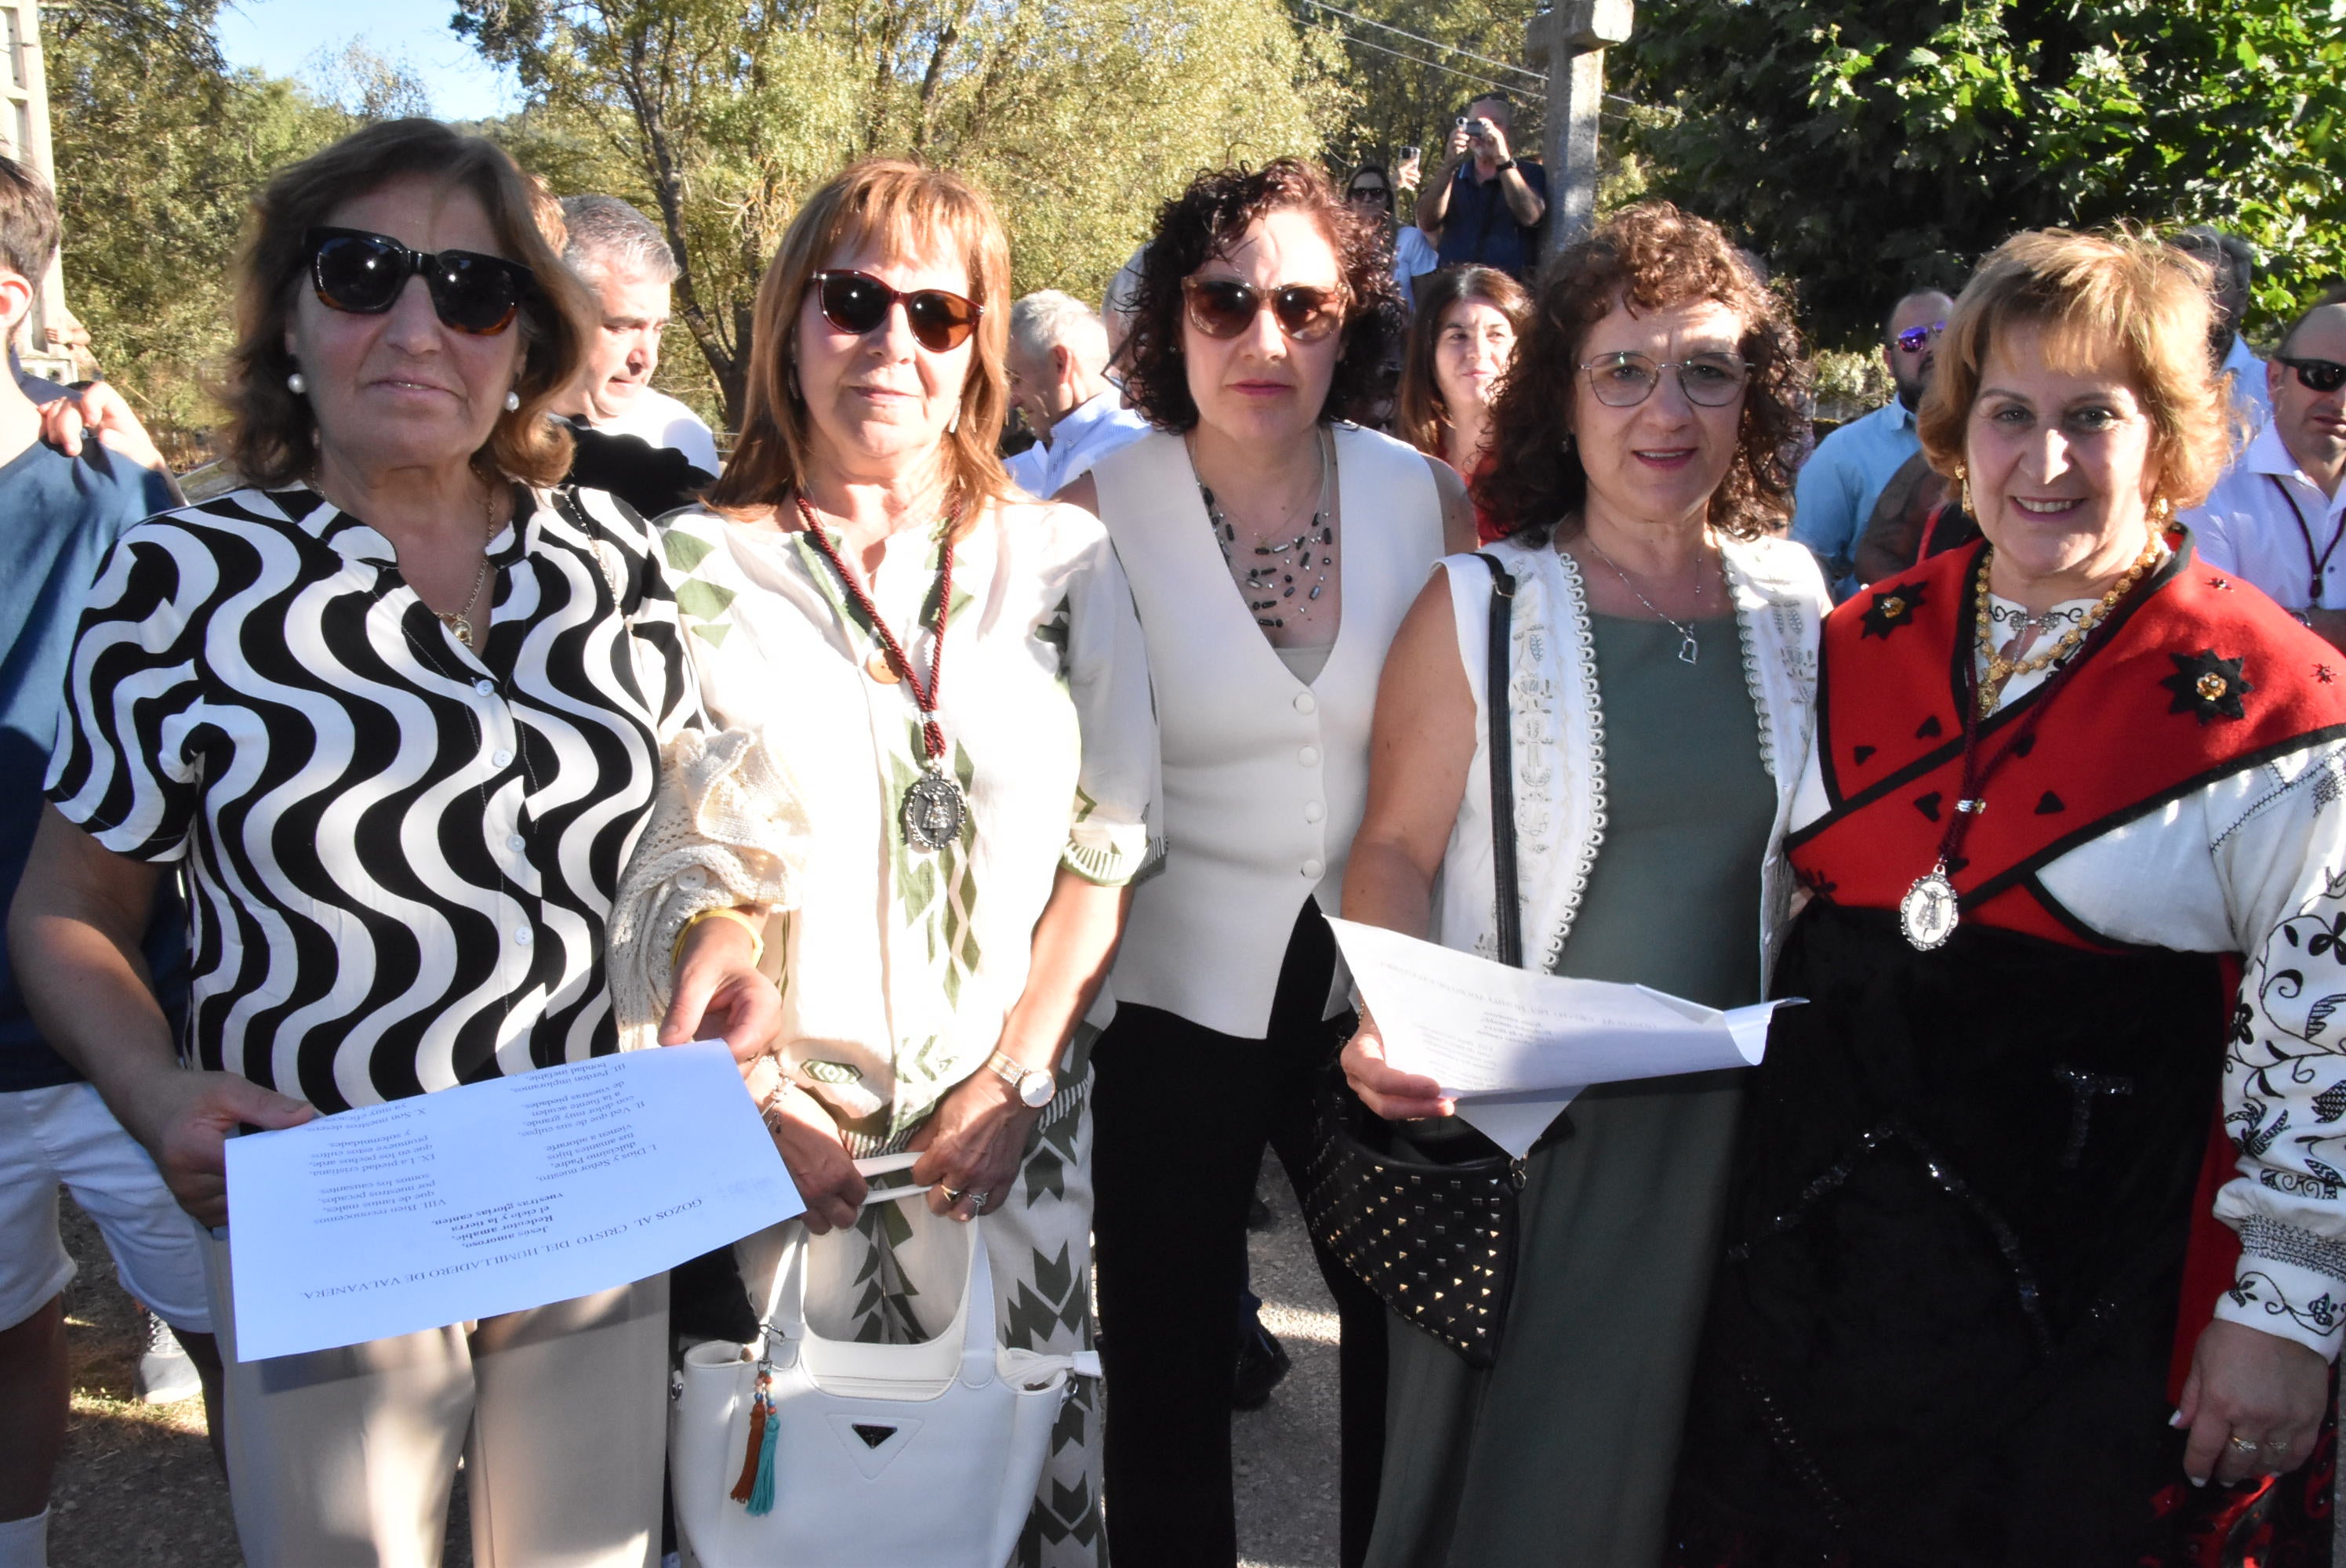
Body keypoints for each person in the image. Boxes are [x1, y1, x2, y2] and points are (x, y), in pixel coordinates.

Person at [3, 118, 746, 1568]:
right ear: (290, 315)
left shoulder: (610, 558)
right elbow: (65, 909)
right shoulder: (185, 579)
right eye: (363, 275)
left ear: (525, 337)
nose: (420, 326)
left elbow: (685, 839)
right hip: (339, 1203)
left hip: (593, 1180)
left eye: (472, 290)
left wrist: (724, 944)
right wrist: (155, 1091)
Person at [1671, 229, 2346, 1564]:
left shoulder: (2280, 705)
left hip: (2090, 1318)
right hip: (1804, 1297)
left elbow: (2322, 1048)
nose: (2043, 464)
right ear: (1954, 429)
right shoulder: (1846, 646)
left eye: (2092, 417)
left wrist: (2280, 1314)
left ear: (2169, 438)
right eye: (2007, 414)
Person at [626, 158, 1157, 1568]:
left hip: (1006, 1148)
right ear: (788, 325)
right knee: (781, 1508)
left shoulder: (1062, 558)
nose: (894, 346)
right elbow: (661, 867)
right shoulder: (681, 569)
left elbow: (1108, 847)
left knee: (998, 1503)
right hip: (771, 1156)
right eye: (854, 301)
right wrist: (754, 1094)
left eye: (938, 313)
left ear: (982, 349)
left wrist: (1017, 1079)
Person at [1340, 200, 1826, 1568]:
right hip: (1539, 1141)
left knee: (1698, 1491)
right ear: (1562, 394)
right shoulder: (1482, 604)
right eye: (1622, 369)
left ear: (1752, 395)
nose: (1664, 408)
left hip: (1739, 1139)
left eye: (1705, 370)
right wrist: (1393, 1013)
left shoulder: (1794, 600)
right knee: (1525, 1499)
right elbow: (1393, 849)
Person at [1059, 156, 1476, 1568]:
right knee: (1169, 1366)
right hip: (1170, 1003)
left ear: (1353, 321)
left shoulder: (1427, 498)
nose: (1263, 340)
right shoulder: (1095, 516)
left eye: (1303, 304)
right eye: (1223, 301)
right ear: (1171, 322)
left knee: (1403, 1349)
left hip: (1378, 998)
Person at [0, 154, 199, 1568]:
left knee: (249, 1338)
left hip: (111, 1044)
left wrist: (159, 479)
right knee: (10, 1336)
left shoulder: (109, 493)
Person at [2182, 296, 2346, 648]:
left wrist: (2283, 622)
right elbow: (2211, 630)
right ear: (2274, 379)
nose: (2341, 400)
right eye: (2323, 376)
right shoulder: (2206, 487)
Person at [1789, 288, 1953, 595]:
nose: (1932, 348)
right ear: (1889, 361)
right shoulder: (1843, 452)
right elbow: (1807, 568)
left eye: (1944, 332)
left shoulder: (2005, 439)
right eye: (1913, 340)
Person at [555, 193, 721, 473]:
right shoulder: (478, 438)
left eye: (657, 329)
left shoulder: (686, 439)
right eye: (621, 327)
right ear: (551, 312)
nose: (646, 359)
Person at [1393, 263, 1530, 486]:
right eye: (1458, 336)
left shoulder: (1546, 461)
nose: (1478, 352)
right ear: (1429, 353)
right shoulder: (1405, 460)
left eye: (1496, 335)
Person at [1002, 289, 1149, 498]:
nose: (1014, 400)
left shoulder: (1125, 447)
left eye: (1016, 379)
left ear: (1060, 363)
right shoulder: (1070, 445)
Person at [1415, 94, 1546, 281]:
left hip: (1507, 292)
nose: (1484, 132)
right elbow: (1426, 222)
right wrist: (1448, 166)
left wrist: (1503, 160)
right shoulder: (1455, 175)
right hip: (1455, 288)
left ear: (1508, 132)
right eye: (1475, 125)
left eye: (1495, 124)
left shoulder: (1529, 173)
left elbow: (1531, 216)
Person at [2171, 225, 2270, 430]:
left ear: (2242, 301)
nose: (2202, 297)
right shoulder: (2137, 379)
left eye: (2218, 287)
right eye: (2190, 284)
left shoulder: (2272, 390)